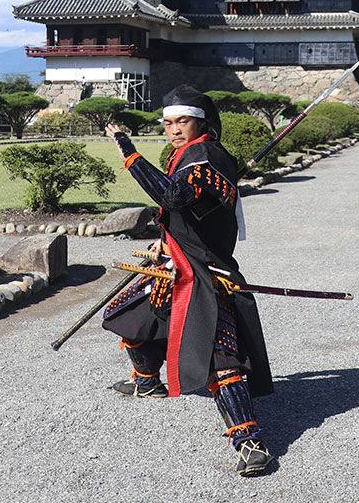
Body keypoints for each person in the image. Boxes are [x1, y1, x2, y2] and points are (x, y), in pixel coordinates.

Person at [100, 85, 274, 476]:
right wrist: (166, 240)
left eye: (182, 121)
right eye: (168, 123)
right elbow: (189, 211)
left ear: (200, 121)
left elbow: (175, 196)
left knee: (221, 355)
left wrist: (128, 151)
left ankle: (249, 443)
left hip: (205, 270)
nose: (174, 130)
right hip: (177, 260)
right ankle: (146, 380)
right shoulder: (191, 153)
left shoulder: (206, 154)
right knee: (130, 314)